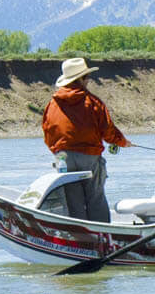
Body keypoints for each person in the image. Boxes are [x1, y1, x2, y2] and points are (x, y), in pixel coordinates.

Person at [41, 57, 131, 222]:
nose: (89, 80)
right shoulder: (93, 102)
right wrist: (123, 142)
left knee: (73, 202)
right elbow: (108, 131)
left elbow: (47, 133)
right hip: (89, 156)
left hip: (63, 158)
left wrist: (59, 152)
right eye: (86, 77)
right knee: (95, 198)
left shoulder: (52, 104)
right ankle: (102, 237)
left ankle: (81, 238)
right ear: (80, 79)